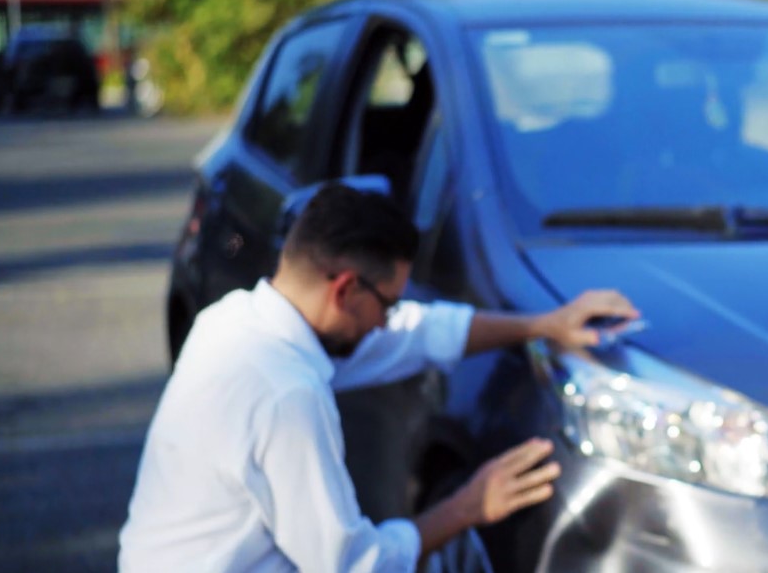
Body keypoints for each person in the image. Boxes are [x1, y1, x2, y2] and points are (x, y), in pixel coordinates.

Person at [119, 184, 640, 571]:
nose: (387, 321)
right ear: (345, 289)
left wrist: (542, 325)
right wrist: (469, 506)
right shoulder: (286, 394)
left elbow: (413, 335)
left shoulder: (236, 320)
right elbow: (349, 565)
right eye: (388, 303)